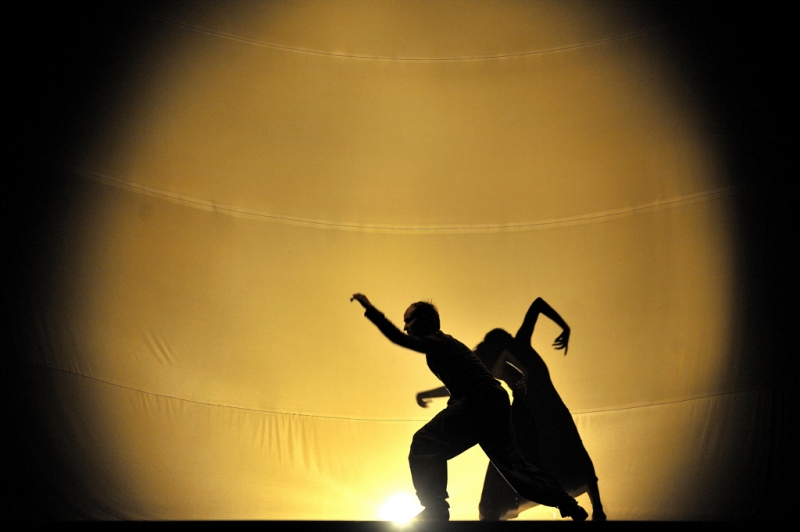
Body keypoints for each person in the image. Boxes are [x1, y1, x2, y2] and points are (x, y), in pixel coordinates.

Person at [350, 293, 588, 521]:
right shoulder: (445, 346)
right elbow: (463, 385)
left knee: (424, 443)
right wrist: (453, 408)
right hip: (493, 403)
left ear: (424, 321)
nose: (406, 327)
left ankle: (435, 510)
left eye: (409, 320)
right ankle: (567, 503)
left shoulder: (438, 342)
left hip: (481, 402)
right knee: (514, 468)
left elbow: (398, 338)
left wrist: (370, 309)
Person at [419, 297, 606, 520]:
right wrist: (564, 327)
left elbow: (537, 305)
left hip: (542, 411)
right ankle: (585, 508)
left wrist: (564, 327)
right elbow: (468, 380)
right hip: (530, 413)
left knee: (543, 463)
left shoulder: (518, 347)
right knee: (523, 467)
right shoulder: (510, 353)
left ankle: (593, 509)